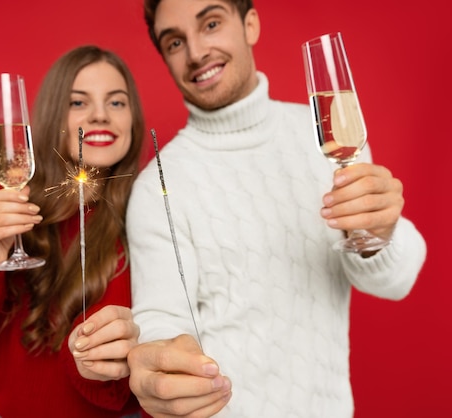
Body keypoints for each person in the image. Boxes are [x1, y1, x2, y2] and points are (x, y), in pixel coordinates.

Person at [125, 1, 427, 417]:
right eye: (175, 42)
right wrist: (158, 368)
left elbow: (394, 281)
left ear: (250, 24)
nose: (195, 52)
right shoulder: (157, 186)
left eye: (211, 23)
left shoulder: (328, 137)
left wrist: (381, 233)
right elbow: (160, 321)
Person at [0, 45, 146, 418]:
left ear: (133, 117)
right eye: (78, 102)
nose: (101, 115)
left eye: (116, 103)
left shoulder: (146, 205)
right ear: (53, 112)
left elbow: (120, 386)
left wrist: (101, 358)